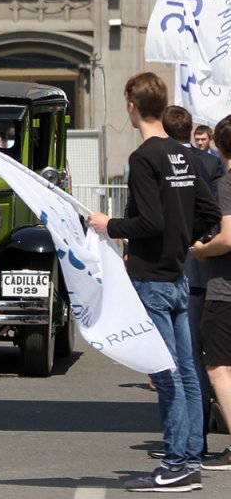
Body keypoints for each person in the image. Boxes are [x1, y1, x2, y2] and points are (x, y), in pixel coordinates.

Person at [88, 72, 220, 492]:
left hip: (153, 278)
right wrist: (186, 243)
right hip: (178, 275)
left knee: (166, 374)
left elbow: (149, 221)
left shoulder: (144, 157)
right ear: (162, 106)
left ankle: (178, 463)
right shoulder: (183, 154)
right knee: (185, 371)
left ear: (131, 106)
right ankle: (189, 457)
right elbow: (209, 212)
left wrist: (109, 224)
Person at [161, 105, 224, 458]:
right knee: (196, 360)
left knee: (185, 358)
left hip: (179, 267)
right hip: (199, 269)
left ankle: (189, 439)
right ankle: (193, 436)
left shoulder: (160, 159)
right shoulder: (210, 164)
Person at [190, 114, 231, 471]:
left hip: (225, 288)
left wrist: (202, 250)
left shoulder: (227, 183)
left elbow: (228, 238)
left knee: (217, 366)